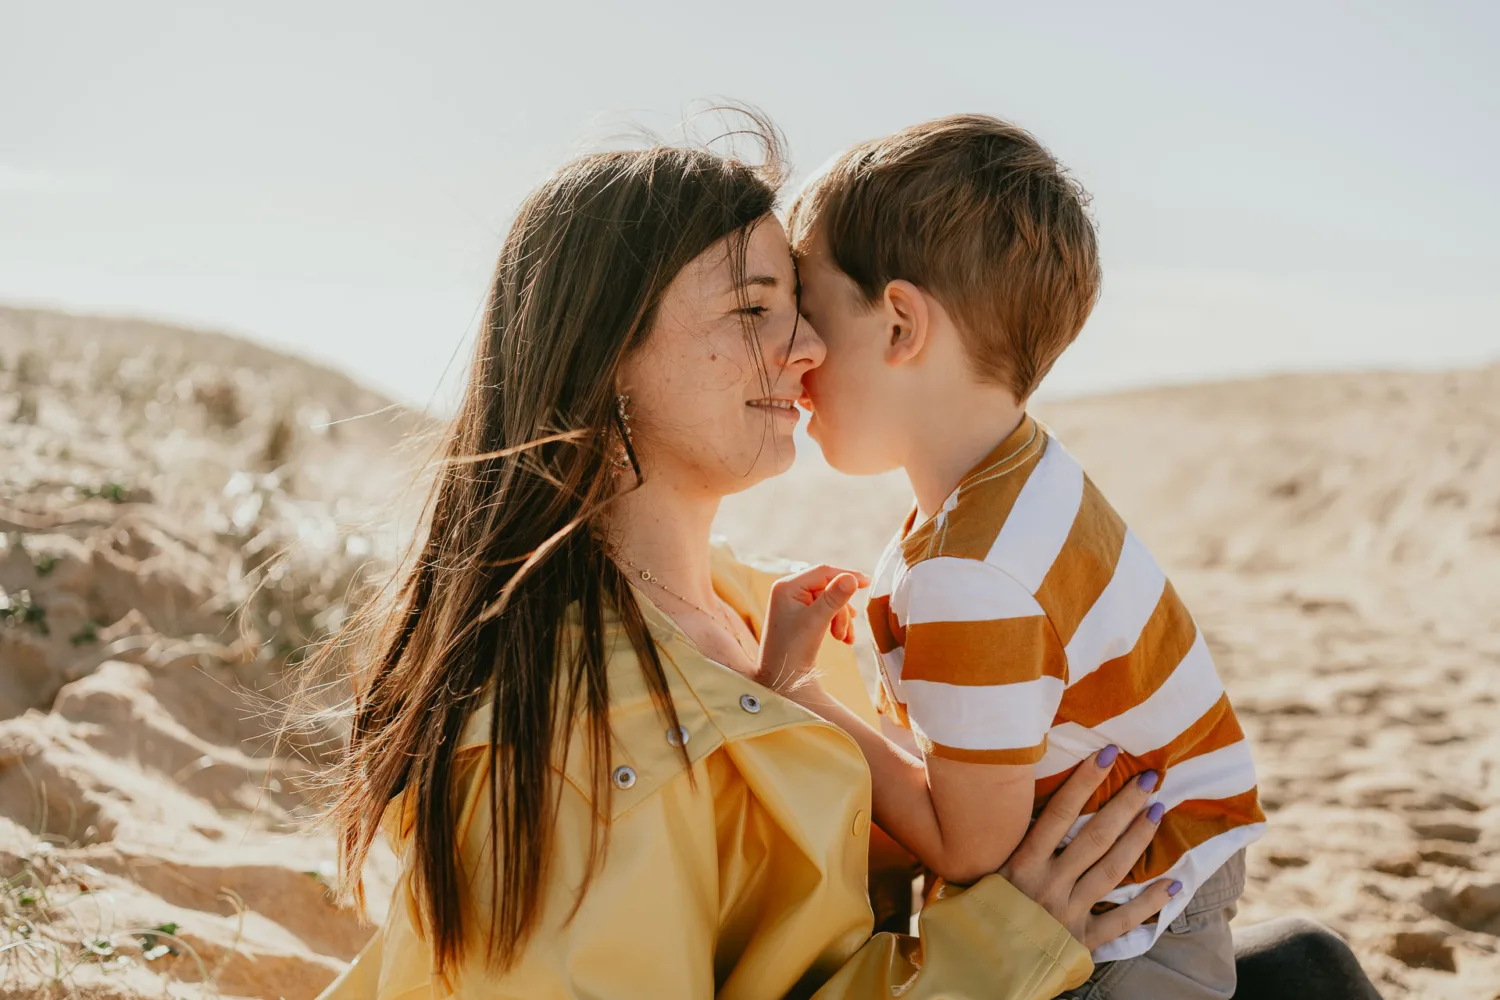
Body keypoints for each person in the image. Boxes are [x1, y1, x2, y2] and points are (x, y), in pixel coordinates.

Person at [310, 111, 1381, 1000]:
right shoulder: (565, 750)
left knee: (1310, 966)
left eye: (808, 307)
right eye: (756, 308)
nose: (811, 349)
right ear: (604, 360)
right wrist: (1007, 938)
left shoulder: (762, 602)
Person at [757, 115, 1263, 1000]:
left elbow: (969, 844)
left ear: (901, 323)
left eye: (809, 302)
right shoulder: (1015, 478)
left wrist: (799, 694)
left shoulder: (972, 569)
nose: (795, 348)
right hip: (1161, 868)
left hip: (1132, 917)